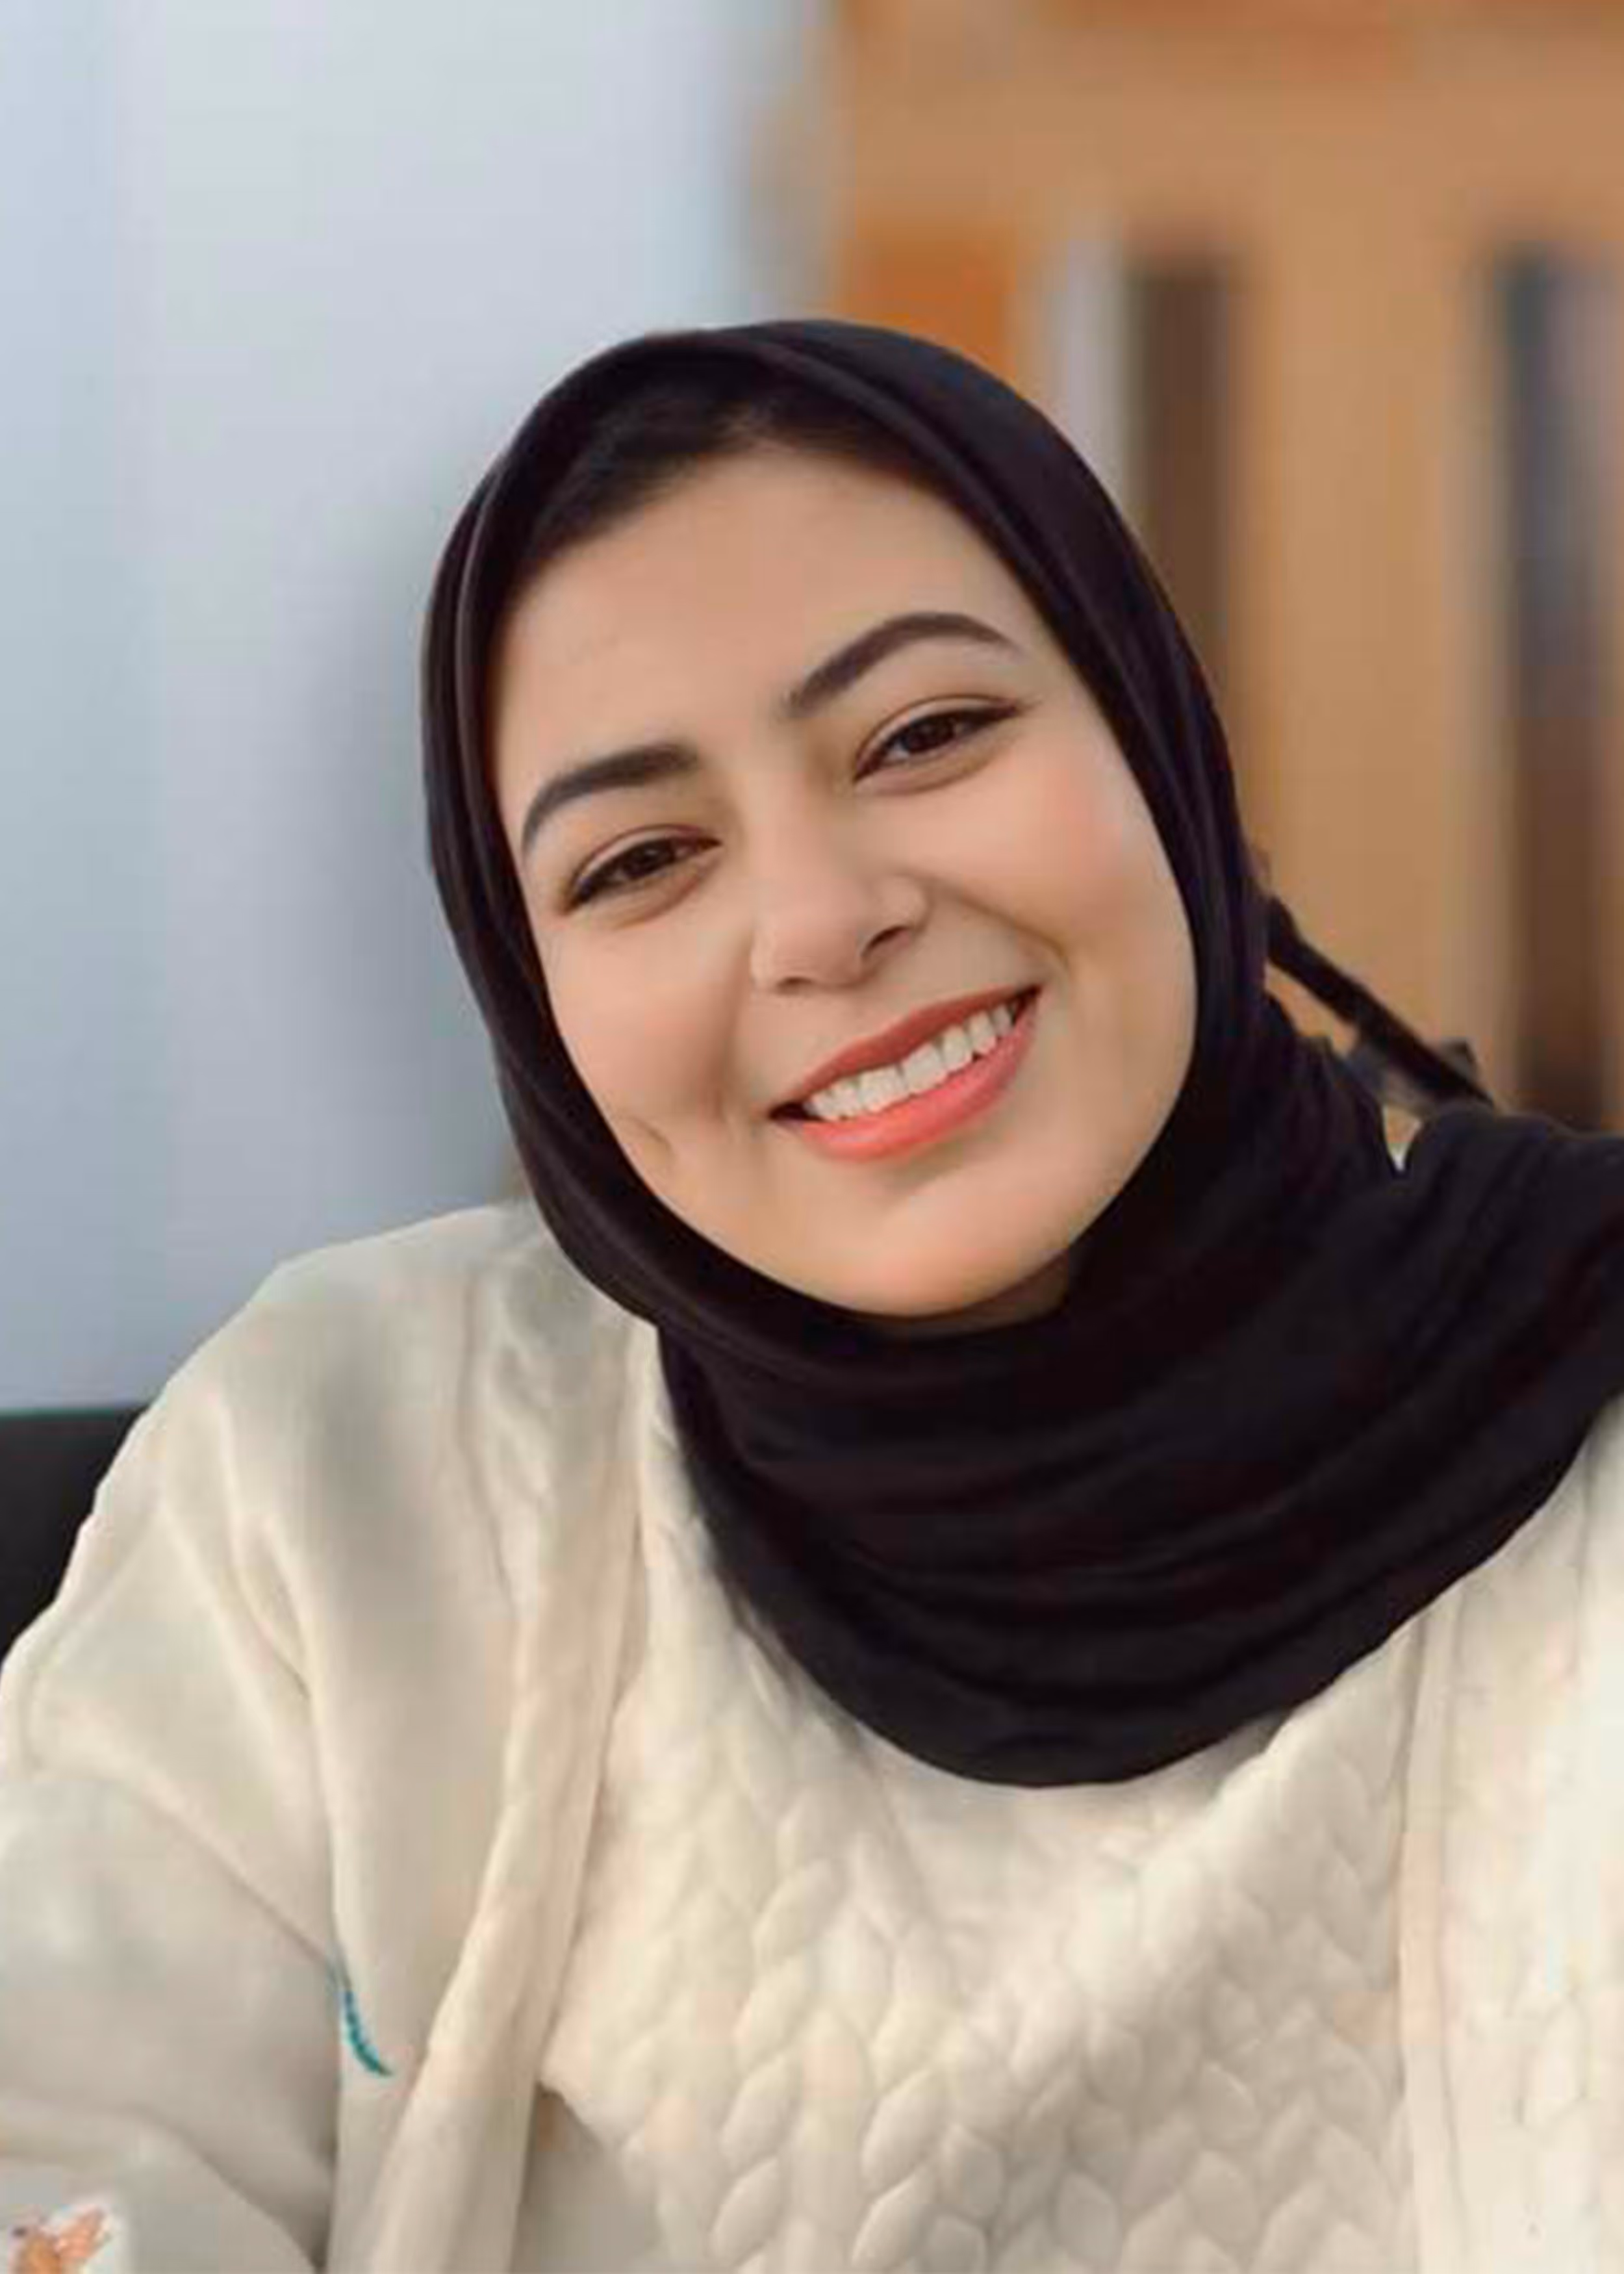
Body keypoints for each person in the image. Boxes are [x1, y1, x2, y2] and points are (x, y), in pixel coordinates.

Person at [3, 319, 1623, 2274]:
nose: (823, 921)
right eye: (640, 860)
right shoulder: (343, 1475)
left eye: (922, 737)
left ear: (1153, 739)